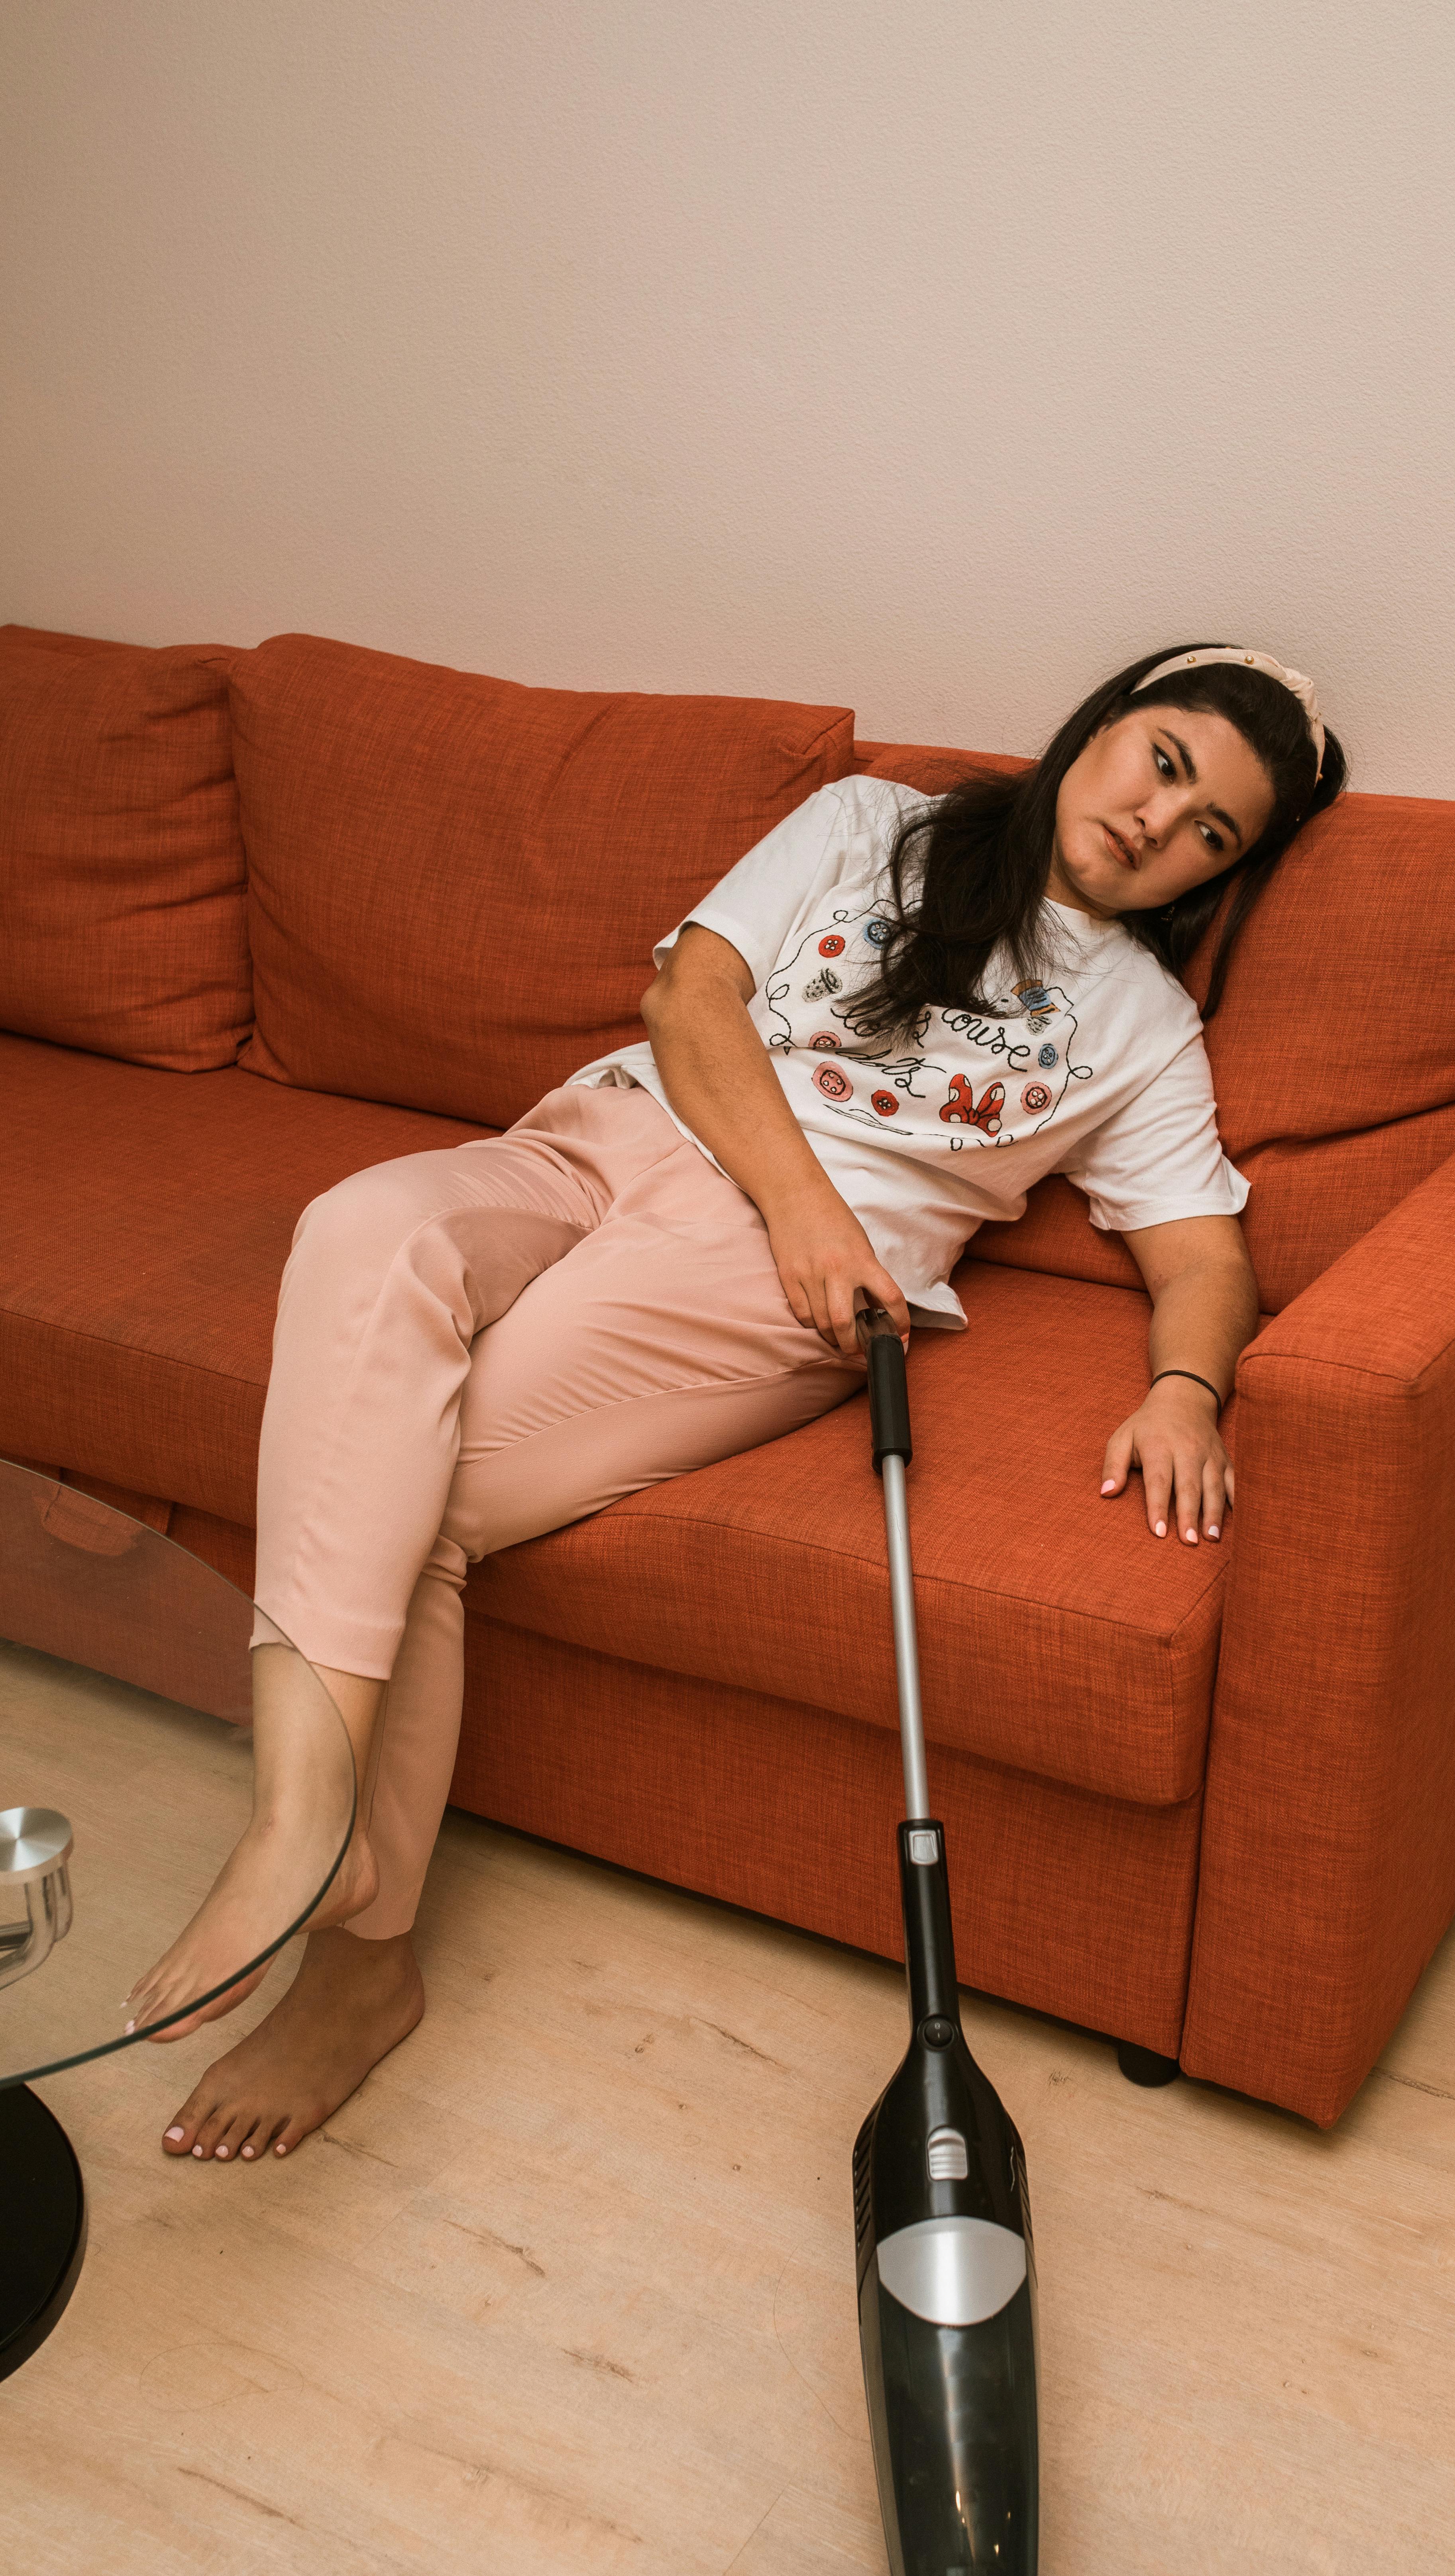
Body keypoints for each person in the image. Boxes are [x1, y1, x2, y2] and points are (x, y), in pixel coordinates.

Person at [127, 641, 1347, 2163]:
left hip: (763, 1283)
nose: (1163, 823)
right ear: (1100, 727)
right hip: (609, 1127)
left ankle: (354, 1956)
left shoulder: (1141, 1024)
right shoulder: (866, 825)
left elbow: (1202, 1252)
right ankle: (298, 1830)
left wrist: (1185, 1387)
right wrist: (802, 1198)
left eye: (1212, 831)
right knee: (364, 1225)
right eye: (1163, 761)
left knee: (414, 1486)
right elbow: (687, 997)